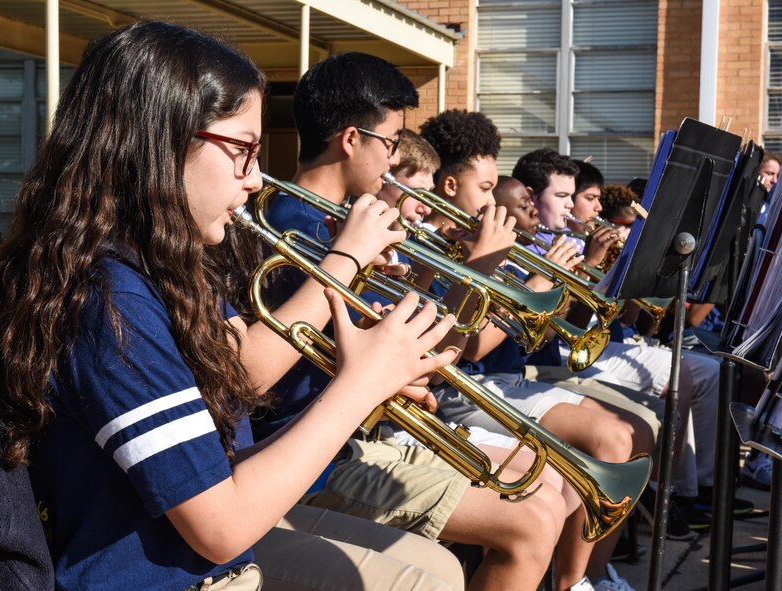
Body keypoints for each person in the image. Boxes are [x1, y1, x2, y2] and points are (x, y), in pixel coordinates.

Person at [0, 22, 469, 591]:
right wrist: (359, 381)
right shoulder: (109, 300)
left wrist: (373, 372)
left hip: (200, 558)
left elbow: (232, 369)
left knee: (438, 571)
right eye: (242, 150)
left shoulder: (164, 266)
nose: (255, 177)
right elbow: (220, 525)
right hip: (172, 573)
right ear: (158, 143)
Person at [255, 52, 568, 591]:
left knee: (546, 491)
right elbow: (332, 360)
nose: (394, 158)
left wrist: (420, 286)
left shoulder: (336, 220)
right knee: (532, 520)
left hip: (349, 436)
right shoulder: (296, 222)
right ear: (351, 139)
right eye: (390, 143)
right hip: (312, 452)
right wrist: (474, 275)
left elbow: (388, 345)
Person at [417, 110, 655, 591]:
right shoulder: (446, 245)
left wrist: (562, 280)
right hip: (464, 386)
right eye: (486, 189)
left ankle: (589, 576)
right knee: (603, 445)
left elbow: (536, 332)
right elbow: (475, 346)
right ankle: (573, 581)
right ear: (448, 186)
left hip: (504, 376)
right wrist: (540, 278)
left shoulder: (481, 241)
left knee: (639, 432)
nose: (496, 199)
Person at [514, 148, 753, 534]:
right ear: (530, 196)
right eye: (569, 198)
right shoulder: (539, 246)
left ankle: (685, 490)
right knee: (680, 380)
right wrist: (591, 267)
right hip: (562, 351)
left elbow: (626, 318)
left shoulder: (572, 239)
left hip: (595, 341)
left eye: (584, 198)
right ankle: (663, 495)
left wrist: (627, 269)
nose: (589, 210)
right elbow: (550, 328)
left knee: (700, 374)